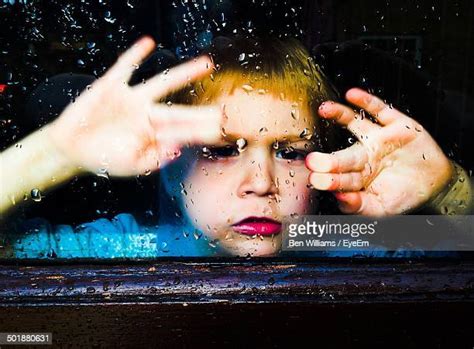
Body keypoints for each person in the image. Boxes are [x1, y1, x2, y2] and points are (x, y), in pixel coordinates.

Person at [0, 35, 472, 258]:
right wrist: (53, 155)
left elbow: (463, 242)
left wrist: (448, 190)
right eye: (222, 150)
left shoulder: (327, 241)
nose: (261, 183)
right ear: (168, 163)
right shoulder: (131, 245)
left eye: (289, 152)